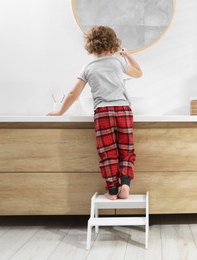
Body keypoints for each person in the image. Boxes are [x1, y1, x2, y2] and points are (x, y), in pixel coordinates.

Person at [47, 26, 142, 200]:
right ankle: (126, 184)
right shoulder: (118, 62)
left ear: (91, 46)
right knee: (126, 149)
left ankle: (112, 190)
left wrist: (60, 111)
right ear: (113, 46)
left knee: (108, 152)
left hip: (103, 113)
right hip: (123, 111)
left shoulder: (87, 68)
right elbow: (138, 73)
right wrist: (127, 55)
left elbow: (73, 94)